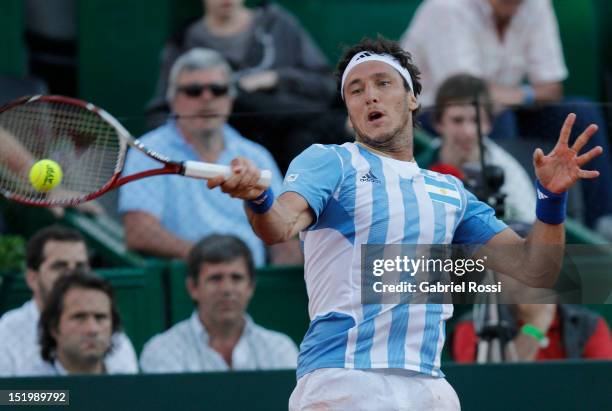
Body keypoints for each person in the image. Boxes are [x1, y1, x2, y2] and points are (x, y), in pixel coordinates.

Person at [206, 36, 603, 410]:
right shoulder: (331, 162)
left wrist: (551, 200)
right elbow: (278, 225)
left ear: (413, 99)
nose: (370, 95)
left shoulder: (450, 192)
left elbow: (538, 270)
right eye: (356, 90)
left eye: (382, 83)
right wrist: (258, 197)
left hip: (428, 386)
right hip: (344, 380)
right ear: (349, 108)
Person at [400, 0, 612, 235]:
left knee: (581, 112)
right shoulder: (446, 8)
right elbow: (465, 92)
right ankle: (513, 223)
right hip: (433, 116)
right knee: (497, 117)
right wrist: (519, 95)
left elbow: (552, 87)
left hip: (506, 108)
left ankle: (599, 225)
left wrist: (514, 96)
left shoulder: (537, 5)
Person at [119, 48, 299, 266]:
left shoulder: (256, 155)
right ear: (173, 100)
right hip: (182, 285)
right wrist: (214, 262)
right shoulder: (149, 150)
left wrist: (265, 290)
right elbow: (139, 233)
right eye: (194, 91)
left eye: (218, 89)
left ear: (230, 99)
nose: (207, 98)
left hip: (252, 286)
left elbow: (285, 239)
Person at [148, 0, 350, 172]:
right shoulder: (184, 42)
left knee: (303, 138)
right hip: (227, 151)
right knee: (240, 97)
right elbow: (163, 107)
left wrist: (276, 78)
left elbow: (325, 84)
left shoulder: (276, 24)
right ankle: (338, 124)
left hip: (293, 142)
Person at [139, 234, 298, 372]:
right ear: (193, 287)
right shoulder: (163, 350)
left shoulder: (280, 349)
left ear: (250, 287)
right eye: (215, 278)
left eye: (236, 278)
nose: (227, 289)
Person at [0, 225, 138, 376]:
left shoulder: (115, 338)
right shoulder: (6, 332)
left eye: (80, 266)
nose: (71, 275)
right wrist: (60, 397)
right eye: (60, 266)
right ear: (32, 278)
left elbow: (128, 394)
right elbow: (5, 397)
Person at [430, 73, 535, 224]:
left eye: (476, 120)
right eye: (457, 120)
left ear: (489, 124)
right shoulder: (418, 162)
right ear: (438, 123)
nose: (468, 131)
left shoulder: (507, 170)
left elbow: (529, 225)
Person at [37, 271, 132, 375]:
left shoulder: (129, 386)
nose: (92, 329)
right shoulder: (31, 387)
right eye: (79, 317)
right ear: (53, 328)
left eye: (100, 317)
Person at [452, 304, 612, 362]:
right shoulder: (474, 324)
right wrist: (536, 327)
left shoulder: (588, 324)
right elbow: (487, 389)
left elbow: (600, 388)